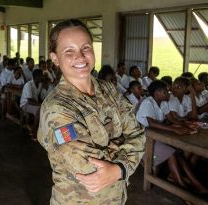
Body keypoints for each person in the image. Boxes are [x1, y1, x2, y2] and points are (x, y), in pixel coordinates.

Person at [38, 19, 145, 204]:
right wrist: (124, 160)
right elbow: (89, 165)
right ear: (55, 58)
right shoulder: (56, 109)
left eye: (85, 48)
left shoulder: (109, 90)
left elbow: (138, 134)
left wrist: (118, 168)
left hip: (117, 199)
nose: (80, 57)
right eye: (69, 51)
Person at [20, 69, 43, 139]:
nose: (42, 78)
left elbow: (37, 97)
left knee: (42, 109)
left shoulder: (39, 84)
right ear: (37, 77)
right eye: (41, 76)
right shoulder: (28, 85)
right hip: (25, 104)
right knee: (39, 110)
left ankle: (35, 128)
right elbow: (29, 101)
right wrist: (40, 104)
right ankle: (34, 132)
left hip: (33, 104)